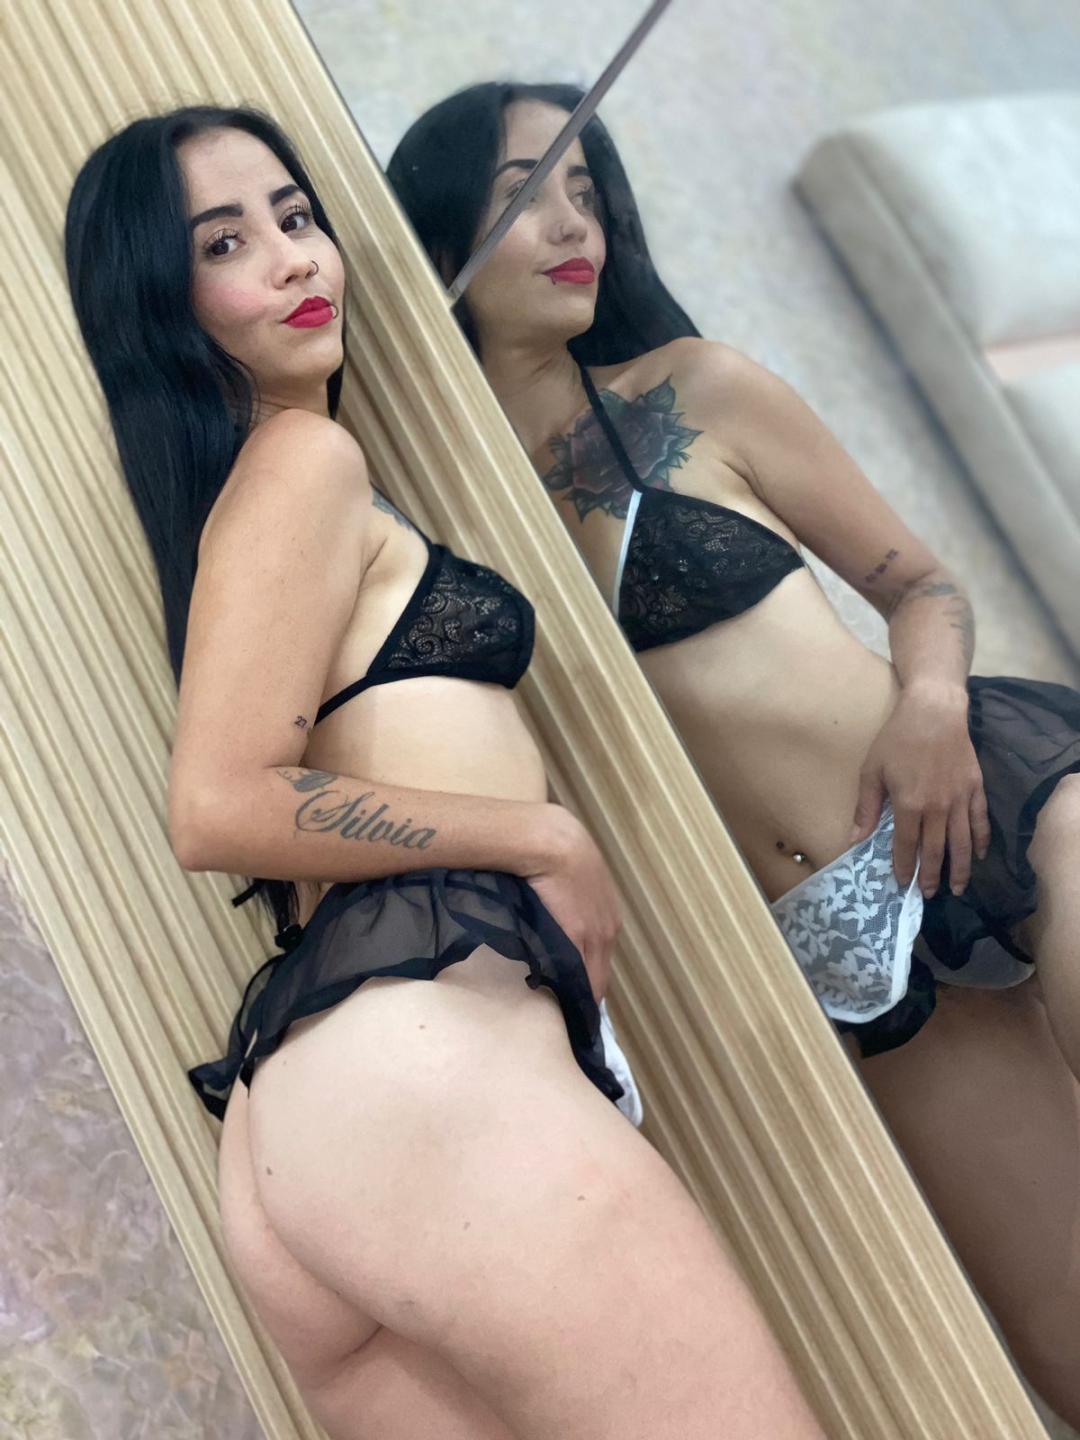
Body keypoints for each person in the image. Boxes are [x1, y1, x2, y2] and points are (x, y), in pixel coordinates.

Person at [64, 104, 825, 1440]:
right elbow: (217, 804)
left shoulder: (265, 494)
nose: (294, 259)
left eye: (297, 218)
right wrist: (543, 837)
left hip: (322, 1122)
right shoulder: (304, 461)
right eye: (226, 245)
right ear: (162, 306)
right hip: (425, 1075)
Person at [388, 81, 1080, 1427]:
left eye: (589, 191)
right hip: (838, 947)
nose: (575, 222)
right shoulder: (433, 525)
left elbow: (921, 586)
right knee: (1065, 1348)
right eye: (530, 192)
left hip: (985, 795)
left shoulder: (698, 389)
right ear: (441, 230)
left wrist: (930, 705)